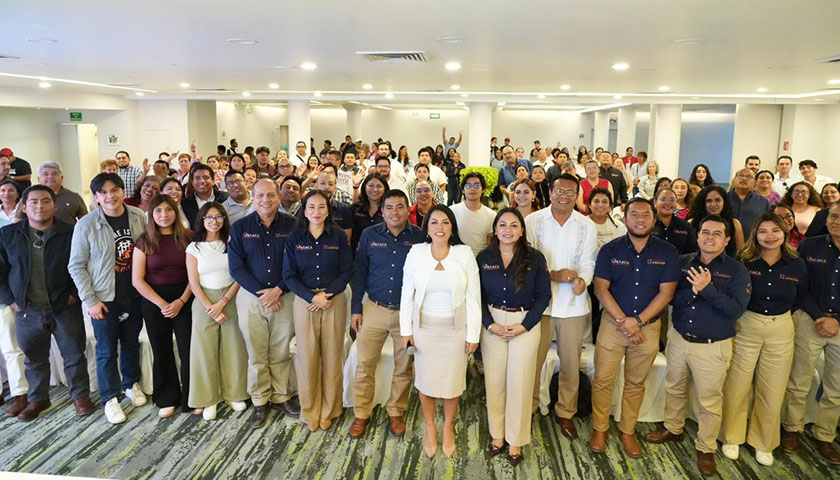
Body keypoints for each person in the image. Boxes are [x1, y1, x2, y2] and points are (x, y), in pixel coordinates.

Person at [645, 215, 751, 477]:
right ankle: (673, 428)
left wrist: (707, 289)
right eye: (705, 232)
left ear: (726, 240)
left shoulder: (737, 270)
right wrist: (693, 291)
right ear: (698, 234)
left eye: (716, 233)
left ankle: (706, 447)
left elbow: (735, 310)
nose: (709, 237)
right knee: (674, 387)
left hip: (712, 346)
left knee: (709, 400)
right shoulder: (682, 262)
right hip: (680, 338)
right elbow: (670, 299)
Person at [590, 198, 680, 458]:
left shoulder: (667, 252)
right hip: (613, 325)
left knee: (636, 382)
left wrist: (638, 321)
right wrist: (625, 321)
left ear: (653, 219)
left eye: (645, 215)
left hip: (648, 328)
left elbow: (666, 293)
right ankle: (600, 428)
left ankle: (627, 430)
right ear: (625, 218)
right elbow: (601, 289)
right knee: (603, 380)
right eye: (634, 215)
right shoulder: (610, 250)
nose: (640, 220)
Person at [719, 212, 807, 466]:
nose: (770, 236)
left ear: (784, 233)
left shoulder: (797, 263)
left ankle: (763, 442)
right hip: (746, 325)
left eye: (775, 231)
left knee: (773, 387)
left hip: (781, 327)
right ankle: (731, 436)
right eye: (763, 231)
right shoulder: (744, 261)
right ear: (755, 235)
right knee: (737, 383)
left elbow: (801, 296)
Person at [0, 185, 93, 421]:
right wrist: (11, 300)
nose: (39, 206)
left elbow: (85, 264)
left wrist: (74, 294)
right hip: (27, 309)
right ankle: (38, 399)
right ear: (24, 206)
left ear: (54, 205)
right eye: (33, 202)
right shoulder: (8, 235)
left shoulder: (71, 232)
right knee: (34, 359)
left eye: (45, 201)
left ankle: (80, 395)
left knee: (74, 355)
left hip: (64, 307)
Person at [400, 205, 481, 457]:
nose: (439, 227)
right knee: (426, 382)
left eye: (445, 222)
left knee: (452, 382)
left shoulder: (464, 253)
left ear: (452, 228)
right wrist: (406, 330)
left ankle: (447, 427)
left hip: (455, 331)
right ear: (426, 228)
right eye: (434, 222)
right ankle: (430, 427)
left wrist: (473, 335)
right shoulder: (416, 252)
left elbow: (473, 296)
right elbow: (406, 293)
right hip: (424, 330)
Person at [68, 173, 148, 424]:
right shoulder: (86, 224)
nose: (110, 196)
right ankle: (110, 397)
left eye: (114, 190)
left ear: (123, 191)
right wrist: (90, 300)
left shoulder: (138, 216)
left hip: (134, 294)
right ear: (96, 196)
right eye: (103, 192)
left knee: (131, 343)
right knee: (106, 350)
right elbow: (76, 265)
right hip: (104, 298)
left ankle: (130, 383)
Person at [525, 174, 598, 437]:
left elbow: (589, 262)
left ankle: (565, 412)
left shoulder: (587, 225)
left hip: (573, 306)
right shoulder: (533, 221)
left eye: (570, 192)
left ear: (577, 195)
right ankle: (529, 409)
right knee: (532, 362)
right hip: (540, 306)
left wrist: (583, 280)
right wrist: (554, 275)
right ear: (550, 191)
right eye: (559, 191)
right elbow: (527, 261)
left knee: (570, 364)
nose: (564, 196)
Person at [478, 208, 551, 466]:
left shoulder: (535, 258)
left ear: (521, 231)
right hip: (493, 323)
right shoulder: (483, 257)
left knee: (520, 383)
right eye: (502, 225)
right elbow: (476, 296)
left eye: (513, 225)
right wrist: (489, 325)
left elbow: (543, 296)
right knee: (495, 382)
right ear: (495, 229)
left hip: (525, 323)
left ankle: (516, 440)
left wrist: (525, 326)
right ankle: (498, 436)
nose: (507, 230)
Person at [349, 190, 424, 438]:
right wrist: (356, 308)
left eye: (400, 207)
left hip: (406, 313)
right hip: (374, 307)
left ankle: (396, 411)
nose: (394, 212)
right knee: (365, 364)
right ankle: (361, 413)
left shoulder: (420, 237)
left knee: (404, 366)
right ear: (381, 211)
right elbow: (360, 272)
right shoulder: (369, 235)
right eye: (389, 207)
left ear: (408, 209)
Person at [228, 179, 300, 429]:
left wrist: (278, 290)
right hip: (252, 298)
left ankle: (281, 396)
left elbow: (298, 262)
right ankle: (260, 401)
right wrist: (263, 294)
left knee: (280, 351)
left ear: (278, 197)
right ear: (253, 197)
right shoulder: (240, 227)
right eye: (260, 195)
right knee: (256, 353)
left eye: (270, 195)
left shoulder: (293, 225)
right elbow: (236, 268)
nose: (265, 200)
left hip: (284, 296)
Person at [283, 190, 353, 431]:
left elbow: (347, 270)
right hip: (305, 301)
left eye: (321, 206)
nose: (316, 211)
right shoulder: (294, 238)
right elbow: (288, 275)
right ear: (304, 210)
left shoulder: (338, 236)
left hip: (333, 300)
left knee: (332, 356)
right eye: (311, 207)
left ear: (328, 210)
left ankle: (330, 410)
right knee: (307, 358)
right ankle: (310, 410)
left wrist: (327, 295)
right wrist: (312, 297)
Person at [781, 202, 840, 464]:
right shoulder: (809, 246)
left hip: (839, 326)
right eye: (834, 216)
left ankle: (825, 435)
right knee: (799, 380)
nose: (837, 221)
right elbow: (799, 287)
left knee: (836, 386)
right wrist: (819, 317)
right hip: (809, 320)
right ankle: (792, 428)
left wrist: (836, 321)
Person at [185, 202, 249, 421]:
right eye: (209, 217)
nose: (214, 221)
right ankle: (208, 399)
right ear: (202, 220)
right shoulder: (193, 248)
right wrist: (211, 307)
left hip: (231, 297)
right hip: (204, 301)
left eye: (219, 217)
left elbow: (239, 275)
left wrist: (223, 302)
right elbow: (193, 283)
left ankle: (235, 394)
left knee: (234, 348)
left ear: (225, 219)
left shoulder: (232, 243)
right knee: (204, 351)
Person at [132, 195, 194, 418]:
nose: (164, 215)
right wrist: (163, 304)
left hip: (186, 298)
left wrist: (181, 301)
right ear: (151, 215)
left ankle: (193, 397)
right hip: (154, 301)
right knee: (161, 349)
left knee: (189, 349)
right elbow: (137, 280)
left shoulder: (188, 237)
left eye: (169, 210)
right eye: (158, 211)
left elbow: (195, 275)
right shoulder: (144, 241)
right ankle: (167, 397)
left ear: (176, 213)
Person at [587, 188, 627, 341]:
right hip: (587, 276)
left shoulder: (619, 227)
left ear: (610, 206)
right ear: (589, 204)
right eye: (596, 201)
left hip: (612, 276)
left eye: (605, 202)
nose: (600, 205)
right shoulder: (582, 224)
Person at [688, 185, 745, 256]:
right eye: (709, 201)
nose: (713, 204)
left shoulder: (735, 224)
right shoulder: (691, 223)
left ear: (724, 202)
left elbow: (740, 253)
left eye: (717, 200)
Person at [451, 173, 496, 256]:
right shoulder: (452, 211)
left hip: (481, 258)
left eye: (476, 185)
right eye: (468, 186)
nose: (472, 189)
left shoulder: (491, 215)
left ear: (483, 189)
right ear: (463, 190)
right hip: (458, 257)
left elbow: (490, 243)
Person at [652, 188, 698, 255]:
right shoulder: (647, 225)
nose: (668, 203)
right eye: (663, 199)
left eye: (672, 200)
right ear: (655, 202)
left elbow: (693, 252)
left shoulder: (685, 226)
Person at [182, 164, 229, 228]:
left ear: (213, 181)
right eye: (197, 178)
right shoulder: (185, 204)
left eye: (206, 177)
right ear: (192, 182)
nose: (202, 181)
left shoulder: (226, 198)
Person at [350, 173, 388, 251]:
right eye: (371, 186)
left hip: (383, 253)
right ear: (364, 187)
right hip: (358, 253)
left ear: (385, 189)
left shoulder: (389, 210)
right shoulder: (355, 209)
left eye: (379, 186)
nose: (375, 189)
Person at [728, 168, 771, 238]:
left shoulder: (764, 202)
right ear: (734, 179)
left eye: (749, 177)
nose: (744, 179)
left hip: (754, 242)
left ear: (755, 182)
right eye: (741, 176)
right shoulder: (723, 199)